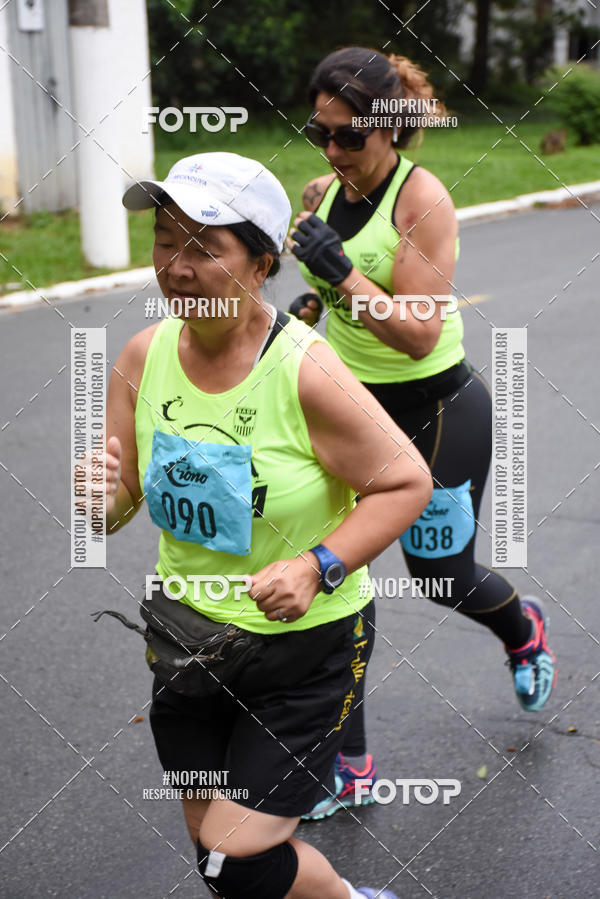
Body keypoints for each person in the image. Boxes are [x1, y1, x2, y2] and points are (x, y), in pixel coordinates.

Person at [97, 151, 433, 899]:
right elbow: (120, 502)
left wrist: (317, 564)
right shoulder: (142, 357)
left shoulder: (305, 369)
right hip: (188, 641)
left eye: (203, 247)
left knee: (239, 859)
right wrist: (100, 498)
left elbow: (406, 481)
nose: (176, 267)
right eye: (164, 241)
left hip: (303, 652)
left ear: (261, 263)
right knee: (214, 859)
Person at [289, 47, 557, 820]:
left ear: (389, 129)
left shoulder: (423, 202)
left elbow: (415, 333)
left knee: (440, 575)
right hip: (350, 412)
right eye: (319, 132)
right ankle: (348, 763)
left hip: (437, 410)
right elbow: (329, 297)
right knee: (334, 576)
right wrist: (311, 309)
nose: (332, 150)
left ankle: (523, 627)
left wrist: (343, 274)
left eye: (348, 137)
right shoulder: (321, 192)